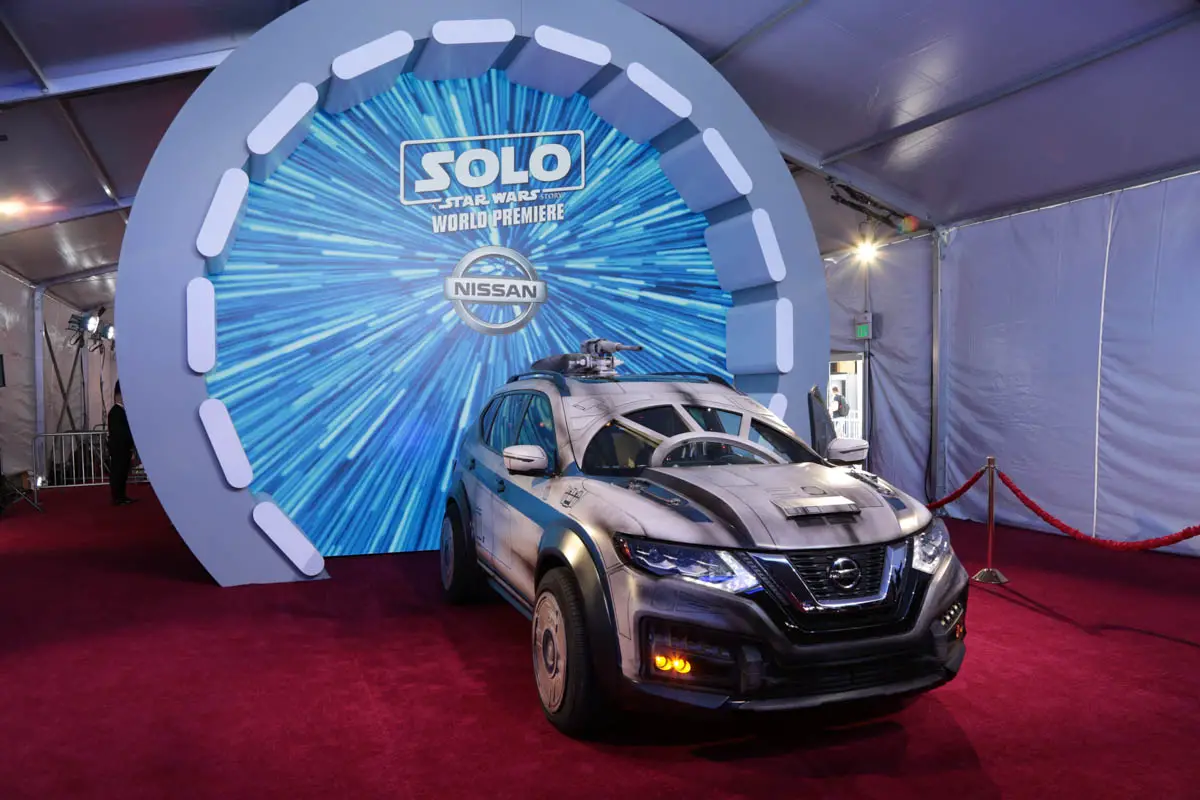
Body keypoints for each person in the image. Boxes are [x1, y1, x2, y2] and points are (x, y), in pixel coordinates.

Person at [107, 381, 137, 506]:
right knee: (118, 472)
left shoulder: (121, 412)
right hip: (119, 447)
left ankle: (122, 495)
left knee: (123, 472)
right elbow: (119, 432)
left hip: (123, 447)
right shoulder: (115, 412)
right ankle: (118, 497)